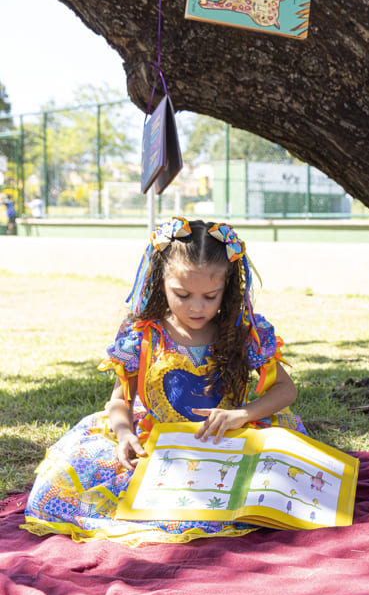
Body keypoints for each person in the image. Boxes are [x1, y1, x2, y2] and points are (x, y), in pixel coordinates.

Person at [23, 217, 304, 544]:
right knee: (64, 492)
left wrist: (241, 415)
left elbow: (286, 389)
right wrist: (125, 433)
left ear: (227, 288)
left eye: (210, 296)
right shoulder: (143, 333)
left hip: (225, 439)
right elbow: (119, 400)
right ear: (160, 282)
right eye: (182, 294)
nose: (197, 307)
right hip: (155, 443)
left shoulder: (244, 331)